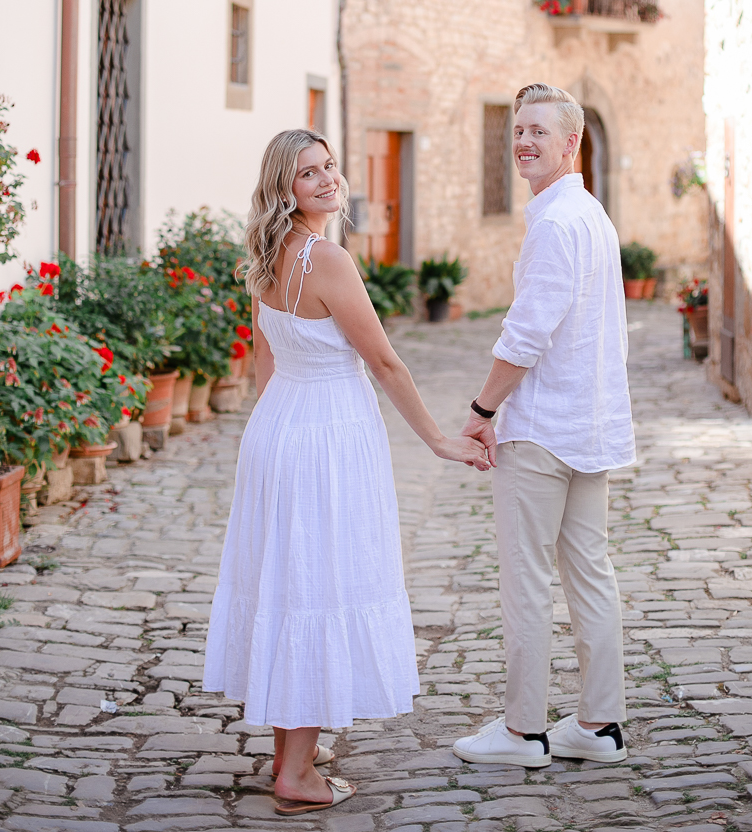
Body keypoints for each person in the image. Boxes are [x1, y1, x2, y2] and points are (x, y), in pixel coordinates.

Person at [203, 129, 489, 817]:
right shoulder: (327, 259)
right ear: (285, 189)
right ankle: (295, 778)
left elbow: (264, 361)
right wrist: (439, 441)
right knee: (316, 583)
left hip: (280, 428)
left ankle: (292, 751)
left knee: (292, 579)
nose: (328, 179)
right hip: (326, 436)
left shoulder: (270, 253)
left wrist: (266, 437)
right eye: (309, 173)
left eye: (330, 167)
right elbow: (386, 362)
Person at [452, 83, 636, 769]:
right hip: (587, 427)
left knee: (526, 580)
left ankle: (523, 730)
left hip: (542, 432)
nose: (523, 141)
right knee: (590, 575)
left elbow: (526, 334)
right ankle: (597, 725)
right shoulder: (587, 214)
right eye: (517, 130)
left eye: (538, 131)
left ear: (571, 141)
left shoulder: (558, 222)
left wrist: (480, 411)